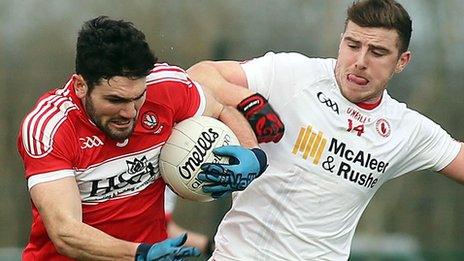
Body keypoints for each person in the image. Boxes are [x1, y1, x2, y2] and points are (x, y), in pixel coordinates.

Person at [187, 0, 464, 260]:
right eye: (352, 45)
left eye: (377, 52)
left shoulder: (406, 129)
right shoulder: (291, 74)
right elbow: (198, 74)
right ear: (341, 41)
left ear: (402, 61)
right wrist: (246, 102)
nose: (360, 61)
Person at [16, 16, 268, 261]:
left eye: (138, 97)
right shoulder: (50, 127)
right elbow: (65, 232)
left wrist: (254, 154)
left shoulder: (167, 88)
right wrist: (139, 253)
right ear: (81, 86)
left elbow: (221, 109)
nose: (130, 113)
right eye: (115, 100)